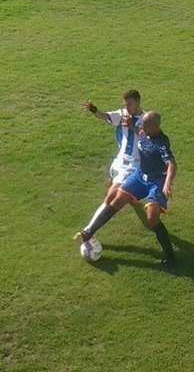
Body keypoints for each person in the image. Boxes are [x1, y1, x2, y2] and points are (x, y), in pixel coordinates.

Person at [75, 112, 178, 268]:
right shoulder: (145, 133)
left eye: (146, 125)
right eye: (142, 124)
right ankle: (89, 232)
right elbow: (140, 133)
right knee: (118, 198)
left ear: (156, 126)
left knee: (152, 218)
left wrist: (167, 184)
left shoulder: (161, 143)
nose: (142, 127)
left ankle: (171, 257)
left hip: (156, 180)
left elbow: (171, 164)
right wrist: (130, 125)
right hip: (140, 175)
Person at [81, 89, 145, 215]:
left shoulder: (146, 119)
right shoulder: (122, 114)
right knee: (113, 182)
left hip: (134, 163)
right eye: (125, 105)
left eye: (129, 105)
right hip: (120, 159)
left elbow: (147, 138)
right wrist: (93, 109)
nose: (127, 108)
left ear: (138, 102)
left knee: (112, 195)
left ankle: (89, 230)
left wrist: (132, 125)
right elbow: (104, 116)